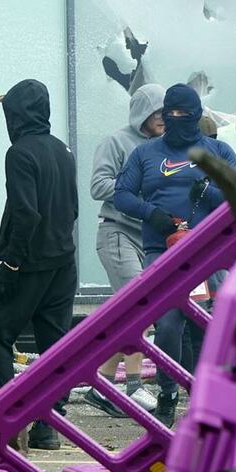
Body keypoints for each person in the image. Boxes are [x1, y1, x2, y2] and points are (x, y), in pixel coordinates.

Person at [114, 83, 236, 427]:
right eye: (171, 113)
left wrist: (211, 192)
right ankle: (168, 394)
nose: (177, 119)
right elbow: (121, 194)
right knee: (168, 323)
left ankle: (206, 403)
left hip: (209, 254)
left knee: (208, 328)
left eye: (185, 113)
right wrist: (149, 212)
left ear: (198, 114)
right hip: (162, 252)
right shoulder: (145, 154)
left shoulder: (218, 150)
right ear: (162, 115)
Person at [0, 79, 78, 450]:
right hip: (63, 263)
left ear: (16, 115)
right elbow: (72, 209)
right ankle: (48, 427)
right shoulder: (62, 150)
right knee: (54, 347)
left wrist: (11, 264)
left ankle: (8, 415)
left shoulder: (19, 153)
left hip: (30, 263)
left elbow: (26, 212)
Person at [87, 84, 165, 417]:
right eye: (160, 113)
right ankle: (133, 386)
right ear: (143, 113)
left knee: (138, 312)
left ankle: (102, 385)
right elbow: (97, 186)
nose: (166, 120)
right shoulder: (115, 142)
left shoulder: (165, 146)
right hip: (118, 233)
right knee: (139, 307)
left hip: (149, 239)